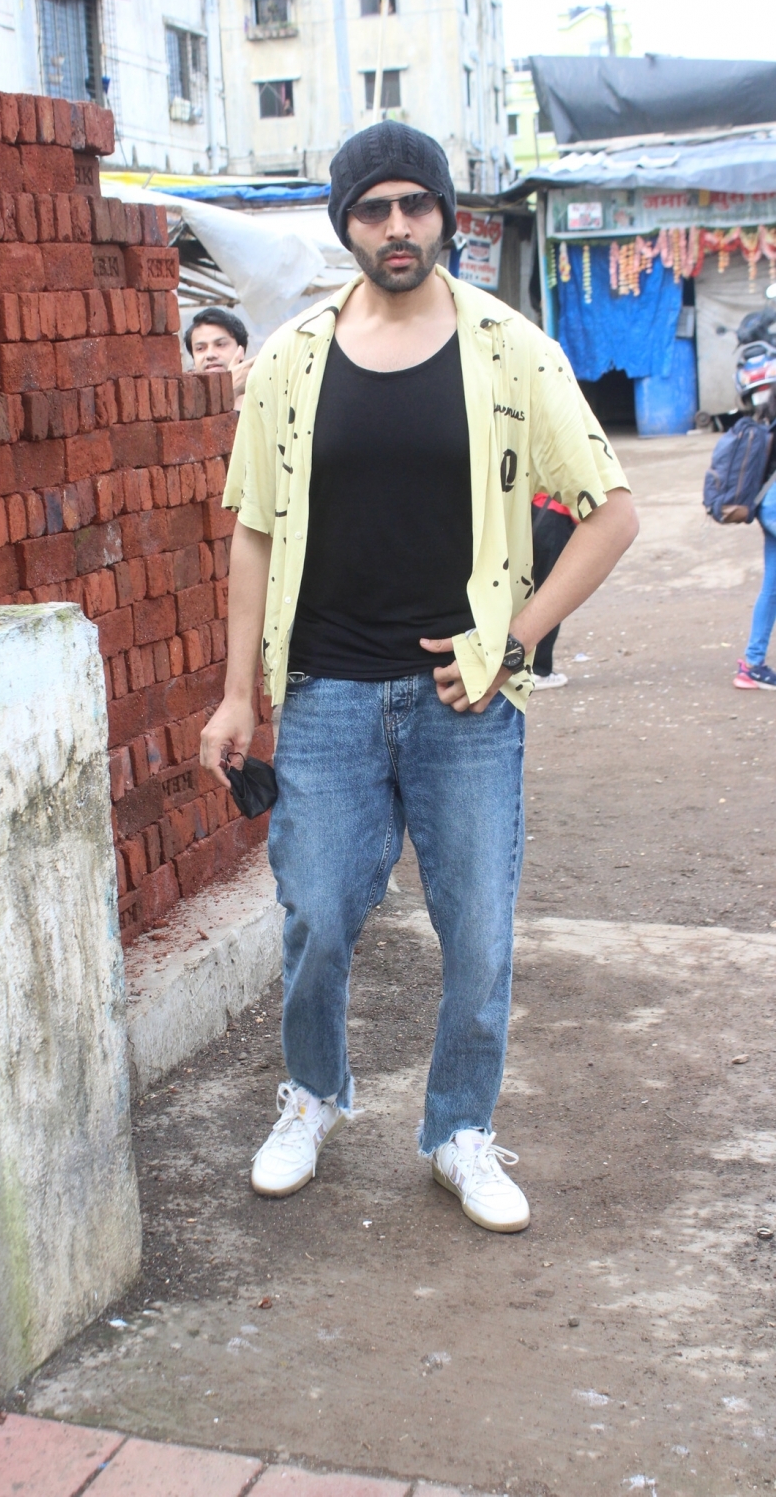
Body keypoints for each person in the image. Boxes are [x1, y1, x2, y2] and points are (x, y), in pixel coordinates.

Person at [200, 121, 638, 1233]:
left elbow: (612, 513)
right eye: (374, 209)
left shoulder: (510, 350)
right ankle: (313, 1096)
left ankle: (459, 1131)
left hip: (466, 704)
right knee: (316, 919)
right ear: (346, 223)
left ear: (445, 215)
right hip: (329, 695)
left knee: (479, 933)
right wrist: (237, 695)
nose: (398, 228)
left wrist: (518, 637)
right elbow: (251, 530)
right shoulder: (290, 361)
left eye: (416, 206)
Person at [731, 390, 776, 690]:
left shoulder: (769, 418)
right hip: (773, 506)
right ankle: (752, 663)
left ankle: (751, 665)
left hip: (767, 506)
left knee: (771, 588)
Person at [530, 492, 578, 689]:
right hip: (555, 520)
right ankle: (539, 670)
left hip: (532, 514)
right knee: (552, 597)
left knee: (527, 592)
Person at [185, 307, 254, 412]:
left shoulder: (265, 402)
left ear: (241, 350)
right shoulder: (188, 409)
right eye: (200, 348)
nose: (210, 355)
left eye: (220, 344)